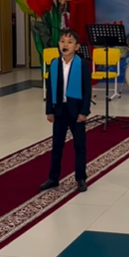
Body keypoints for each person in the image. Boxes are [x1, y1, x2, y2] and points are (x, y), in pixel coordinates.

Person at [40, 29, 91, 193]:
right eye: (62, 41)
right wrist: (49, 110)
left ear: (77, 47)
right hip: (59, 110)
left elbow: (87, 90)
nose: (65, 45)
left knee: (79, 145)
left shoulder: (82, 64)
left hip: (76, 110)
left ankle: (81, 178)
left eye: (70, 42)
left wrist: (84, 111)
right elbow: (50, 88)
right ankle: (53, 178)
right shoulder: (54, 64)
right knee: (57, 145)